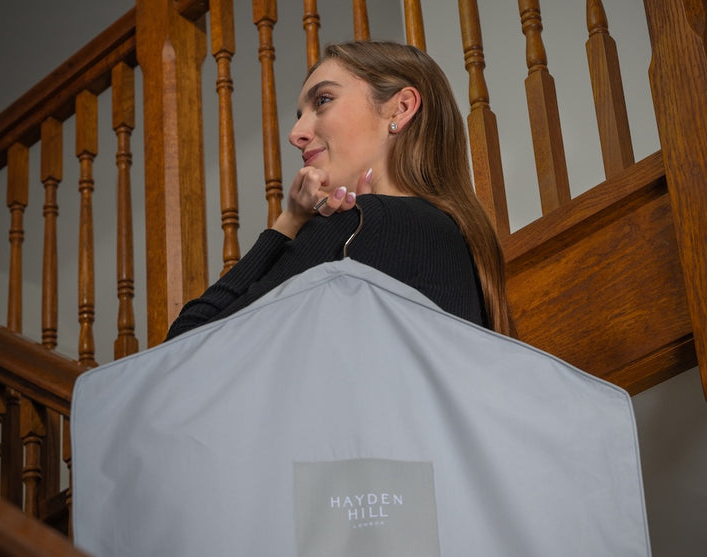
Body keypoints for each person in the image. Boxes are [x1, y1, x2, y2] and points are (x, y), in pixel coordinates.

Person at [166, 40, 513, 340]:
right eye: (300, 113)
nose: (295, 133)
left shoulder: (356, 225)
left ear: (401, 107)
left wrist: (288, 222)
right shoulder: (459, 237)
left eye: (323, 100)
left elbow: (183, 348)